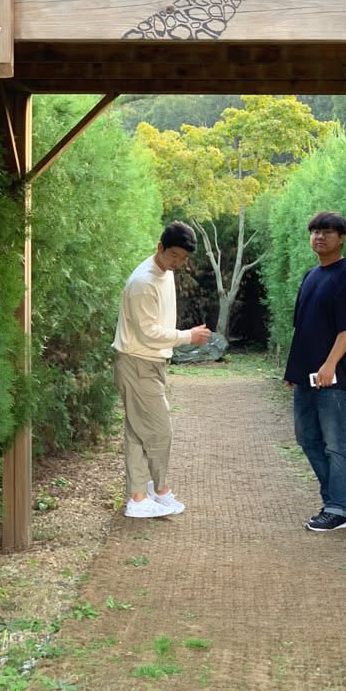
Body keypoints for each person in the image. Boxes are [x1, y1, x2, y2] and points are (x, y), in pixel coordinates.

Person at [113, 221, 211, 518]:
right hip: (137, 361)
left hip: (148, 362)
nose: (178, 263)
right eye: (174, 256)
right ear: (160, 247)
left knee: (137, 431)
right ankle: (158, 490)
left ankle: (140, 496)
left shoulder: (164, 272)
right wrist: (187, 336)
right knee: (159, 431)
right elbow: (148, 333)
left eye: (184, 258)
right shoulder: (143, 283)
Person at [284, 211, 346, 532]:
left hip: (337, 376)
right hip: (307, 375)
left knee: (336, 442)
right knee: (306, 436)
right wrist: (294, 371)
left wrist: (330, 363)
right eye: (315, 231)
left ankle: (338, 509)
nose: (320, 237)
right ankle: (332, 499)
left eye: (328, 232)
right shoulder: (311, 276)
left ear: (342, 237)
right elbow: (302, 328)